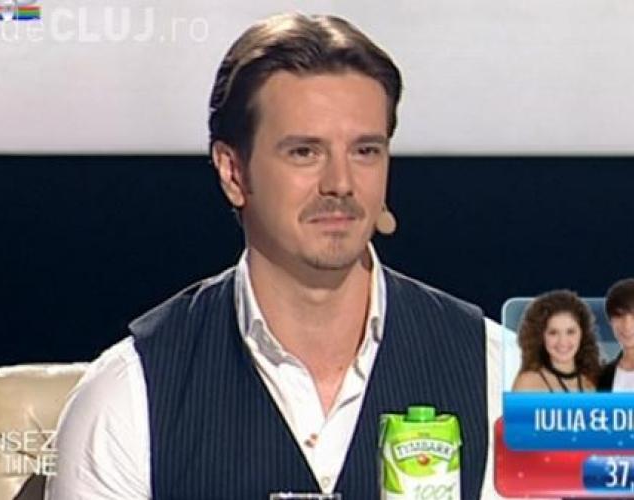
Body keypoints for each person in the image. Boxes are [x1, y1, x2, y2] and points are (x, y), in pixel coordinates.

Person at [46, 13, 495, 499]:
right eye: (305, 152)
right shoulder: (128, 396)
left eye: (365, 151)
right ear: (233, 172)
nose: (341, 183)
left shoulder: (502, 377)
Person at [512, 290, 600, 392]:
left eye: (570, 332)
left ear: (583, 333)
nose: (563, 342)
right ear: (540, 336)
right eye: (553, 333)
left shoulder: (595, 378)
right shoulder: (528, 383)